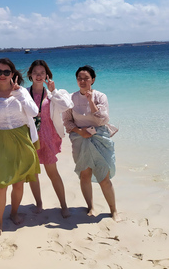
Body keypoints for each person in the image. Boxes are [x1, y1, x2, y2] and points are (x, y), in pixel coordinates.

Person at [0, 58, 40, 236]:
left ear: (12, 74)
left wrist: (19, 94)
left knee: (18, 182)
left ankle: (14, 213)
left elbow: (34, 112)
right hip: (1, 140)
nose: (2, 75)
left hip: (22, 138)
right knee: (1, 184)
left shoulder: (22, 91)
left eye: (6, 72)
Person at [62, 65, 120, 221]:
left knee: (104, 177)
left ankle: (113, 210)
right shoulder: (71, 98)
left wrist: (90, 100)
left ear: (92, 80)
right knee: (85, 175)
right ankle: (90, 207)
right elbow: (67, 121)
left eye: (86, 78)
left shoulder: (101, 96)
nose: (82, 81)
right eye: (79, 78)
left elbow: (103, 119)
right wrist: (80, 131)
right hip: (80, 139)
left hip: (100, 138)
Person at [26, 60, 73, 218]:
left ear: (47, 75)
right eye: (35, 73)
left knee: (53, 172)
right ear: (30, 75)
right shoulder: (24, 93)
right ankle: (39, 204)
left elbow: (67, 105)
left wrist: (54, 91)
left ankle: (64, 205)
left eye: (42, 73)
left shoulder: (52, 94)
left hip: (48, 137)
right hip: (31, 138)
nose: (39, 76)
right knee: (33, 173)